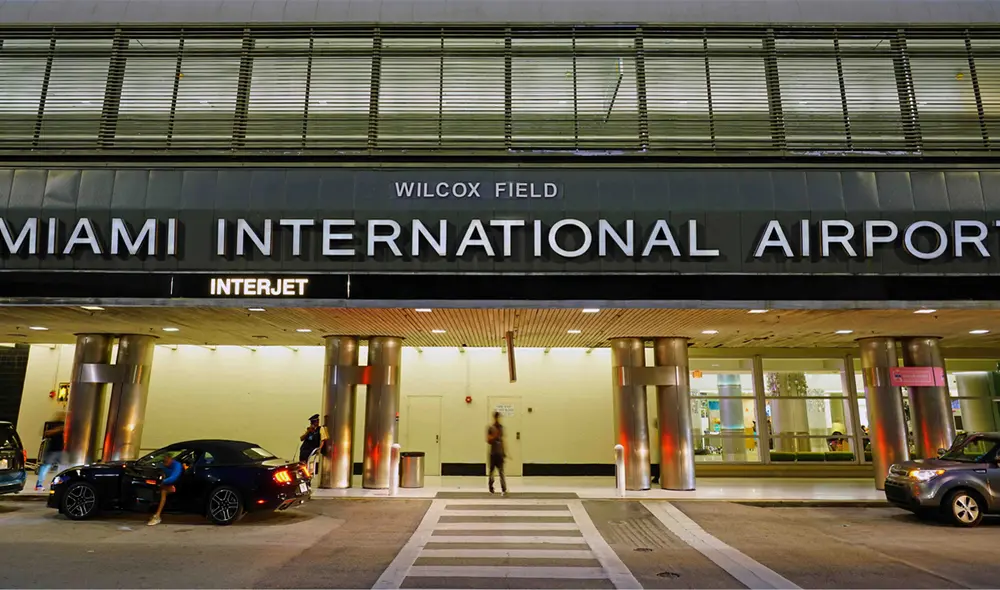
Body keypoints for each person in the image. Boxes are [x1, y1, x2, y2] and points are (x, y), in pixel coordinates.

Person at [148, 453, 182, 526]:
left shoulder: (177, 465)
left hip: (178, 485)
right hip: (167, 484)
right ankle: (155, 513)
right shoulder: (163, 465)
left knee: (163, 491)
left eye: (166, 461)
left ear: (170, 459)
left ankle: (157, 516)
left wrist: (162, 482)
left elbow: (174, 477)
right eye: (164, 461)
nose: (165, 463)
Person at [35, 419, 65, 491]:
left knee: (64, 467)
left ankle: (59, 483)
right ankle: (39, 484)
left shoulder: (64, 424)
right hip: (52, 449)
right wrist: (58, 429)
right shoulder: (54, 425)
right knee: (46, 467)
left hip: (60, 450)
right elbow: (46, 433)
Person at [486, 411, 507, 495]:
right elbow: (488, 440)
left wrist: (504, 451)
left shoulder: (501, 427)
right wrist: (494, 435)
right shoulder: (490, 428)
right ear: (494, 418)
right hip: (493, 453)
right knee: (491, 471)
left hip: (499, 453)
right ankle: (491, 487)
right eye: (497, 417)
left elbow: (502, 440)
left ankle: (504, 488)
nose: (498, 419)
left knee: (501, 471)